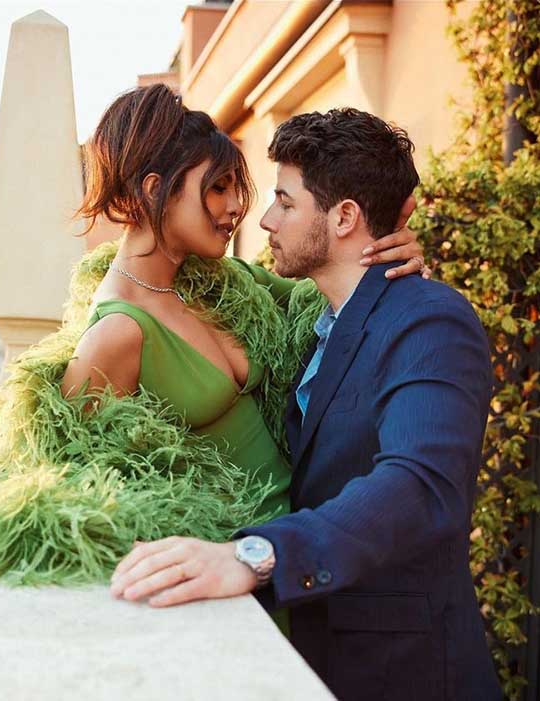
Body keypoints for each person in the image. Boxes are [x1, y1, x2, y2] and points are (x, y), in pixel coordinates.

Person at [0, 84, 424, 603]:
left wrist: (387, 253)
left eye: (236, 188)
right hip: (234, 572)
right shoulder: (117, 331)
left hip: (294, 554)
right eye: (216, 189)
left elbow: (326, 292)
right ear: (153, 190)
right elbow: (82, 486)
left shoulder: (220, 284)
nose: (238, 208)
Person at [109, 108, 500, 699]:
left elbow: (422, 485)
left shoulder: (430, 321)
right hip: (306, 656)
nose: (264, 219)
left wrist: (255, 555)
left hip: (405, 672)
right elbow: (150, 279)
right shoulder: (312, 320)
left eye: (286, 203)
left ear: (344, 217)